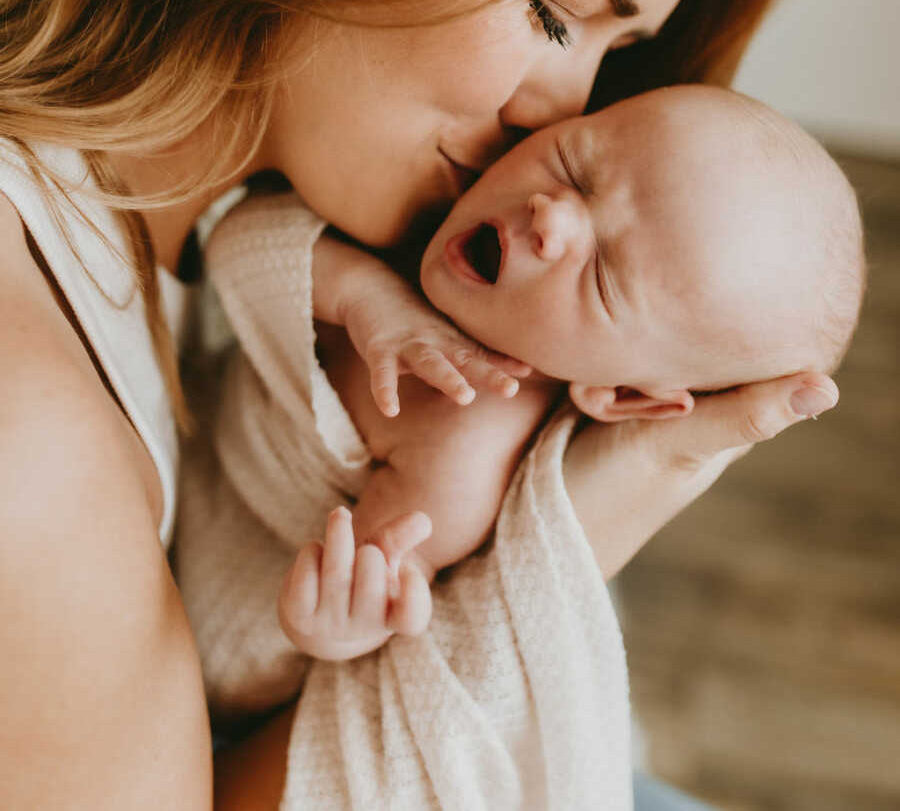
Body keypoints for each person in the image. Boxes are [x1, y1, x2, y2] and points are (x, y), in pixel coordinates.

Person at [0, 0, 840, 811]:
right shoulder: (33, 453)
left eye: (609, 63)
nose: (556, 119)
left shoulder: (147, 229)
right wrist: (585, 514)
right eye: (555, 10)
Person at [180, 83, 861, 669]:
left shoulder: (465, 442)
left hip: (205, 610)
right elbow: (228, 239)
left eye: (602, 275)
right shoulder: (419, 207)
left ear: (621, 396)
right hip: (177, 428)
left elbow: (379, 591)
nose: (552, 215)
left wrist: (336, 627)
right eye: (577, 164)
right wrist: (359, 294)